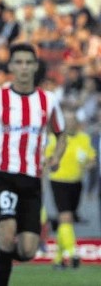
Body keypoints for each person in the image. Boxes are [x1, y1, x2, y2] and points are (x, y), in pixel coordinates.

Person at [0, 43, 67, 286]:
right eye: (19, 62)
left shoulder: (48, 101)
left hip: (32, 181)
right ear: (12, 66)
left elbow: (61, 134)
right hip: (3, 176)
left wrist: (55, 157)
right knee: (6, 235)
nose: (24, 67)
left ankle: (2, 255)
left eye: (28, 62)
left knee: (27, 251)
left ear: (35, 66)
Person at [46, 109, 95, 269]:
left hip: (76, 182)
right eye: (67, 120)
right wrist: (50, 162)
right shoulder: (55, 138)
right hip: (59, 181)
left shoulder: (84, 139)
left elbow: (92, 160)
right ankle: (72, 253)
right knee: (65, 216)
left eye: (72, 120)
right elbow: (45, 157)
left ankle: (59, 259)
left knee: (66, 220)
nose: (70, 123)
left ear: (77, 123)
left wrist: (87, 163)